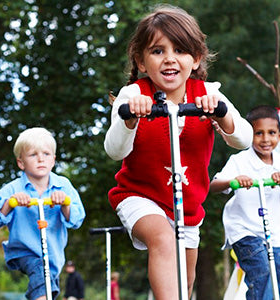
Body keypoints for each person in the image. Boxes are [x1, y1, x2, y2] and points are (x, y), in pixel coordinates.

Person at [104, 5, 252, 300]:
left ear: (195, 59)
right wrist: (130, 119)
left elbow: (244, 139)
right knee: (161, 238)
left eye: (180, 50)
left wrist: (221, 115)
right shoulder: (133, 95)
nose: (170, 59)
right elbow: (114, 149)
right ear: (141, 61)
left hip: (188, 205)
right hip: (139, 195)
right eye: (158, 51)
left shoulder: (209, 94)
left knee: (185, 280)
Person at [209, 105, 280, 300]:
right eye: (258, 133)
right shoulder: (240, 161)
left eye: (271, 133)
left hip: (272, 235)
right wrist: (234, 181)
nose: (266, 139)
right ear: (249, 134)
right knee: (262, 272)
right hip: (244, 231)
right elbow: (213, 186)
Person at [0, 127, 85, 300]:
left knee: (49, 285)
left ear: (53, 160)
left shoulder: (63, 185)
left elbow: (77, 218)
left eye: (46, 154)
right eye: (33, 155)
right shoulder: (13, 188)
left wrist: (65, 203)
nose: (40, 159)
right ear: (21, 163)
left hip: (53, 253)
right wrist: (10, 203)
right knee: (41, 276)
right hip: (24, 251)